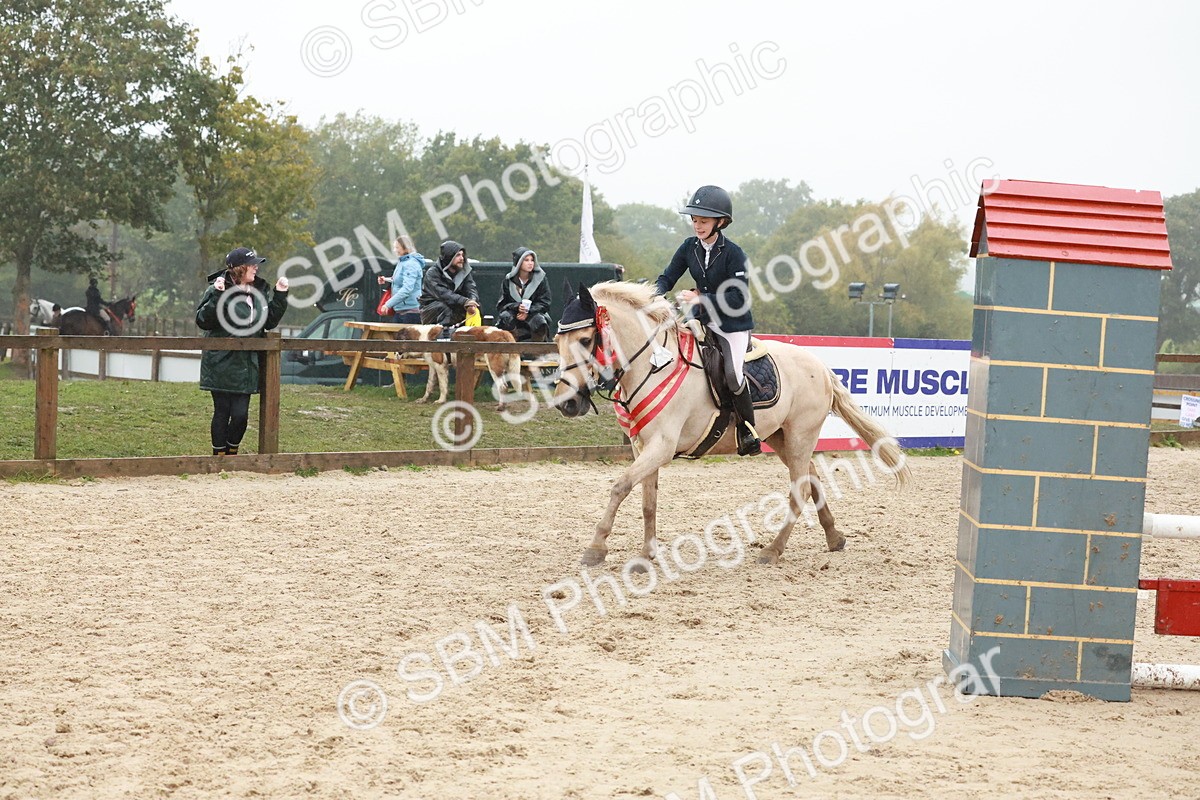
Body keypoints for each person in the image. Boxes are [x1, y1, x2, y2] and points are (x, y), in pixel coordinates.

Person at [654, 184, 761, 456]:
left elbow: (738, 299)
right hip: (700, 321)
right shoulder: (689, 247)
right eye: (694, 220)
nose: (697, 225)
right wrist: (651, 295)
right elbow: (668, 276)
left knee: (733, 375)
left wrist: (702, 299)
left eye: (703, 221)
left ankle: (748, 430)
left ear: (720, 222)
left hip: (731, 326)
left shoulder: (734, 254)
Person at [195, 247, 289, 456]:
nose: (256, 267)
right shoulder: (216, 289)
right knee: (222, 411)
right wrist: (217, 297)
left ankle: (232, 453)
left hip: (247, 365)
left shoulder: (258, 291)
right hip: (221, 362)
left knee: (240, 415)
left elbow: (269, 321)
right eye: (252, 264)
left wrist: (280, 296)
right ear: (239, 268)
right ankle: (219, 457)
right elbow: (203, 321)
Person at [419, 239, 480, 339]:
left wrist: (472, 301)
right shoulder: (433, 273)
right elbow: (443, 294)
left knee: (475, 309)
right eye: (458, 255)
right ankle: (444, 340)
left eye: (462, 255)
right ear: (448, 257)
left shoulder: (465, 272)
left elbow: (471, 288)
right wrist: (465, 301)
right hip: (432, 310)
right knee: (444, 308)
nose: (462, 258)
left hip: (456, 305)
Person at [496, 246, 551, 342]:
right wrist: (517, 307)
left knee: (539, 321)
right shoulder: (508, 280)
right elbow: (502, 305)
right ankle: (509, 345)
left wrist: (528, 311)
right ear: (519, 262)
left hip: (534, 313)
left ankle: (536, 349)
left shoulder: (541, 280)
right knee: (505, 317)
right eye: (526, 260)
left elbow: (545, 303)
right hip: (513, 314)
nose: (530, 263)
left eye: (532, 260)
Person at [376, 235, 426, 323]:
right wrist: (387, 279)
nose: (395, 250)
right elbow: (400, 280)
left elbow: (407, 289)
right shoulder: (403, 262)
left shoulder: (411, 264)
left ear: (405, 248)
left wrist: (388, 304)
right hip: (401, 311)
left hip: (410, 313)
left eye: (397, 247)